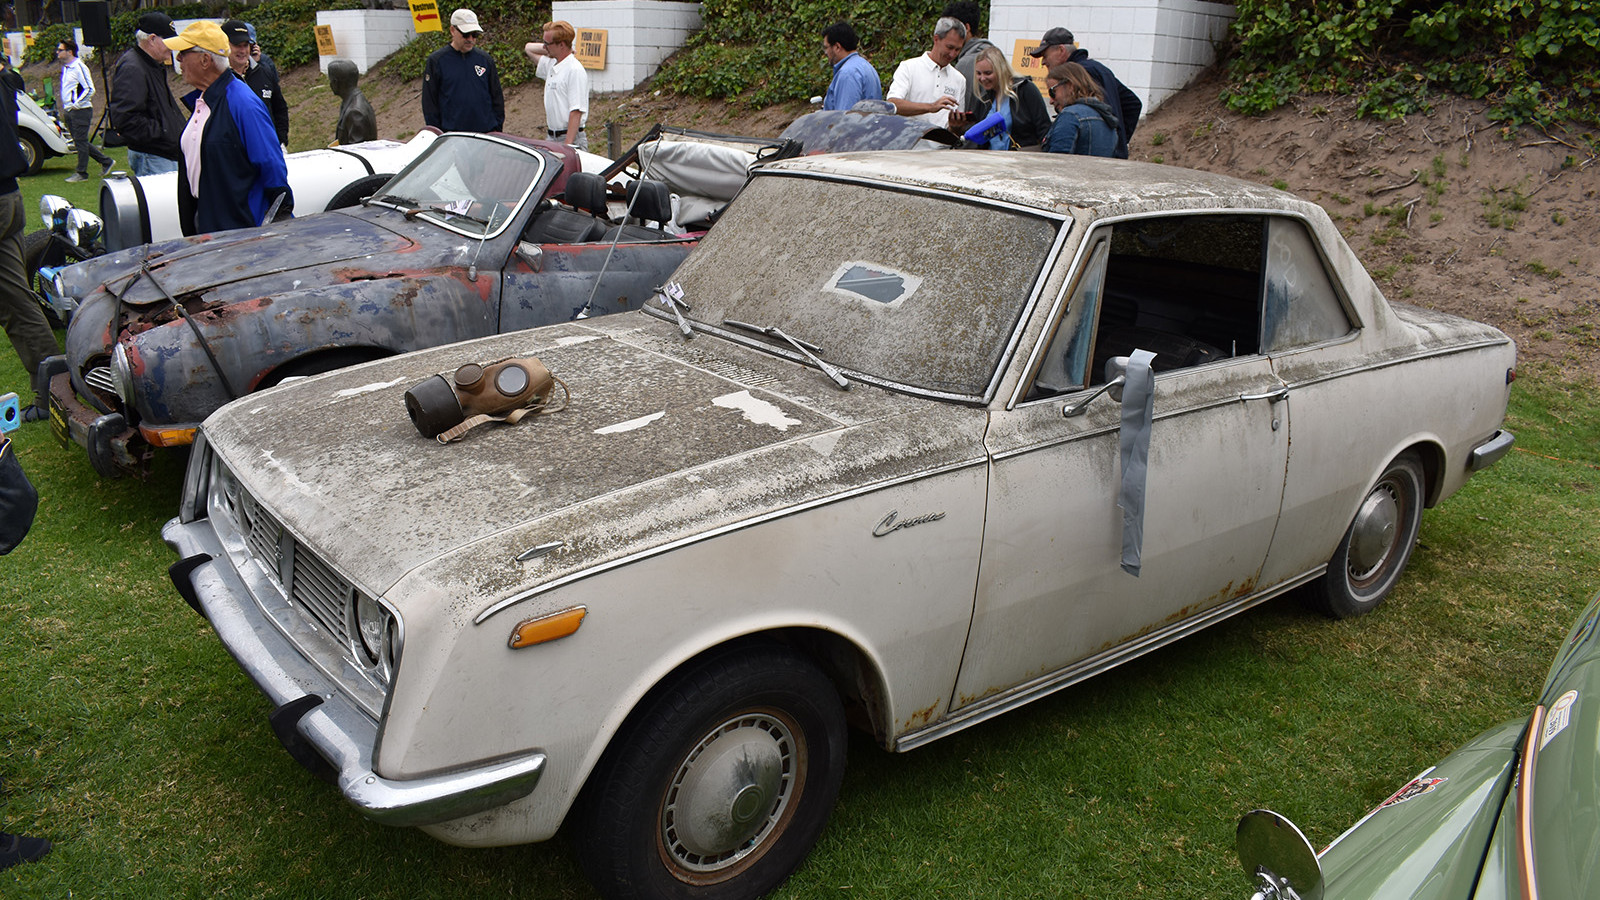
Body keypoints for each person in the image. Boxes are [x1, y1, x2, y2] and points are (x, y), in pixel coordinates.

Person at [165, 21, 291, 236]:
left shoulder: (243, 103)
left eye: (183, 53)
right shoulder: (205, 98)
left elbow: (272, 165)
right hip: (210, 222)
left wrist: (278, 219)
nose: (178, 59)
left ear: (205, 60)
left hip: (239, 233)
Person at [0, 85, 58, 421]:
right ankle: (52, 387)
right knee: (15, 300)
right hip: (8, 195)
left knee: (15, 302)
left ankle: (52, 388)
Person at [1029, 27, 1141, 158]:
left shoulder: (1082, 75)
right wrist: (1118, 139)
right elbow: (1133, 103)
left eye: (1045, 55)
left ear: (1061, 50)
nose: (1043, 61)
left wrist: (1115, 140)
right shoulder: (1099, 68)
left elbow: (1058, 161)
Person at [108, 12, 186, 177]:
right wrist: (163, 132)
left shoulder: (151, 65)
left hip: (162, 155)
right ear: (152, 39)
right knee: (164, 203)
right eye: (168, 41)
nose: (172, 48)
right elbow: (125, 119)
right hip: (154, 157)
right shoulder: (133, 67)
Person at [421, 9, 504, 133]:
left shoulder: (485, 60)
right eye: (466, 34)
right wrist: (438, 134)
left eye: (474, 35)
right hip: (453, 135)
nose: (470, 39)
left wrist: (497, 128)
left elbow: (497, 97)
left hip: (485, 133)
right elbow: (430, 103)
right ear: (452, 30)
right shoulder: (437, 61)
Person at [887, 17, 967, 130]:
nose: (952, 54)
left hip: (943, 147)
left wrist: (956, 126)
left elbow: (955, 131)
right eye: (949, 47)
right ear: (936, 39)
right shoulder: (909, 67)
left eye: (957, 50)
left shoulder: (959, 79)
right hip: (910, 146)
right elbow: (892, 104)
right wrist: (931, 107)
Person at [222, 19, 288, 150]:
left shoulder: (264, 72)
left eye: (246, 45)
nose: (243, 50)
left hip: (270, 148)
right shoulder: (217, 79)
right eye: (237, 45)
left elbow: (279, 108)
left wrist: (281, 140)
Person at [523, 20, 589, 149]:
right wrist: (549, 46)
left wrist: (567, 146)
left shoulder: (574, 70)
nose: (544, 47)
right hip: (552, 137)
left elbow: (576, 112)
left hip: (569, 138)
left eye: (547, 44)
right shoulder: (551, 64)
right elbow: (528, 48)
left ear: (561, 45)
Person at [56, 38, 114, 182]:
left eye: (60, 50)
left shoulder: (79, 67)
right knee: (79, 141)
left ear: (69, 52)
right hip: (70, 110)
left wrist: (77, 104)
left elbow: (90, 88)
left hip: (80, 110)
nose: (57, 52)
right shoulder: (67, 68)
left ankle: (81, 173)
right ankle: (106, 161)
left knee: (81, 141)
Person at [970, 46, 1050, 149]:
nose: (982, 78)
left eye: (988, 73)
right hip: (990, 161)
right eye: (978, 73)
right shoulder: (984, 98)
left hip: (1020, 159)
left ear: (1001, 70)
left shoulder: (1025, 89)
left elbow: (1044, 128)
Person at [1042, 62, 1120, 158]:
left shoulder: (1070, 116)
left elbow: (1057, 162)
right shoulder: (1106, 118)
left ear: (1070, 86)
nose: (1051, 101)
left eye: (1053, 92)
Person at [942, 2, 993, 114]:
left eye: (949, 28)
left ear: (966, 28)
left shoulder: (966, 63)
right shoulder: (993, 54)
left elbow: (959, 114)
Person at [820, 22, 880, 111]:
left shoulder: (848, 74)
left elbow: (845, 118)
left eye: (826, 47)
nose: (825, 52)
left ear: (837, 47)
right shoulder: (864, 65)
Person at [329, 59, 376, 145]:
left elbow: (357, 150)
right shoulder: (349, 102)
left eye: (331, 80)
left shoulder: (355, 112)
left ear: (335, 82)